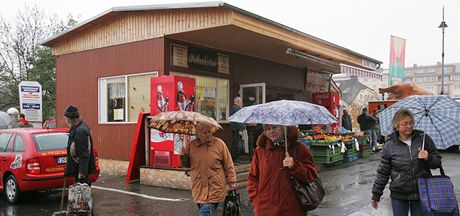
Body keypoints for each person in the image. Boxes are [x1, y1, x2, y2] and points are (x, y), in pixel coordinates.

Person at [371, 108, 441, 216]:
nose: (409, 126)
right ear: (397, 126)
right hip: (399, 194)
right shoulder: (390, 145)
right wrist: (376, 195)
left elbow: (437, 163)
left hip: (421, 192)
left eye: (411, 123)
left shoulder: (423, 139)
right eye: (405, 123)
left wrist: (429, 157)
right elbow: (383, 172)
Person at [248, 125, 317, 215]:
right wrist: (257, 202)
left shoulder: (299, 148)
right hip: (265, 210)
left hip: (292, 210)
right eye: (267, 129)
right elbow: (253, 178)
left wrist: (295, 166)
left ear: (284, 127)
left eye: (274, 127)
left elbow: (311, 176)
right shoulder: (260, 151)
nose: (271, 132)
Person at [179, 123, 237, 216]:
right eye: (205, 133)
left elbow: (228, 163)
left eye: (209, 131)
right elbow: (187, 165)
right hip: (199, 187)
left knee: (205, 213)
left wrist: (232, 181)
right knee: (206, 212)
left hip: (215, 187)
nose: (208, 134)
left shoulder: (219, 144)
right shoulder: (191, 145)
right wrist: (183, 157)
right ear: (198, 134)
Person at [63, 105, 97, 185]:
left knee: (81, 194)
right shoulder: (80, 127)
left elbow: (84, 153)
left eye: (66, 118)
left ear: (70, 118)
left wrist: (82, 172)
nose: (65, 120)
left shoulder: (79, 131)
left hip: (79, 170)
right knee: (82, 194)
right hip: (79, 168)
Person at [230, 96, 245, 163]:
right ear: (238, 101)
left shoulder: (234, 108)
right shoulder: (237, 108)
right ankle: (233, 158)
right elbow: (239, 120)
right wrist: (241, 130)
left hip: (234, 128)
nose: (241, 103)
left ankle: (233, 158)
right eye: (241, 101)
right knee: (235, 143)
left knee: (235, 143)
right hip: (236, 128)